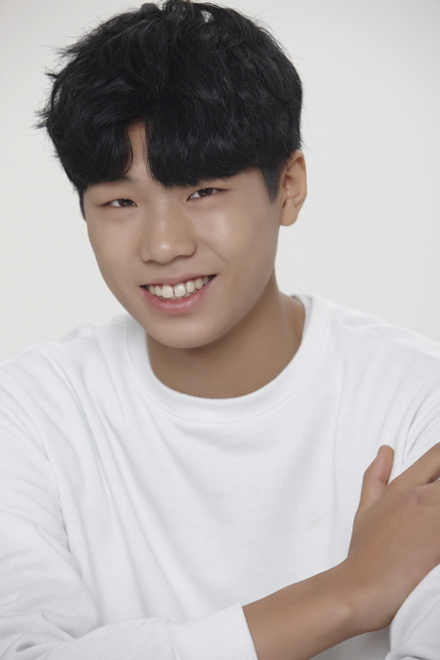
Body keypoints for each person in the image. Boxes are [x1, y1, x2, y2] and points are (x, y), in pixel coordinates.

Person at [1, 1, 440, 659]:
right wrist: (350, 593)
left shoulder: (416, 401)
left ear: (288, 186)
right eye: (120, 201)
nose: (163, 245)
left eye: (201, 191)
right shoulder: (30, 412)